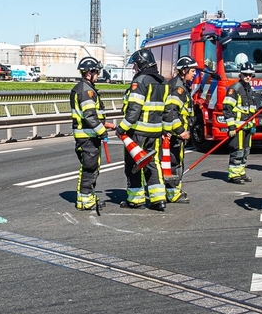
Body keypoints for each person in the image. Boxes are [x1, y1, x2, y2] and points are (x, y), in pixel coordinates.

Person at [117, 48, 168, 211]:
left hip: (138, 132)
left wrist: (121, 128)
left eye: (135, 65)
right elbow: (167, 110)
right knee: (153, 163)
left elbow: (134, 110)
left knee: (133, 164)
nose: (134, 68)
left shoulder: (140, 81)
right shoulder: (163, 82)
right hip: (155, 132)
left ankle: (136, 200)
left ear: (142, 64)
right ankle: (158, 200)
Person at [70, 56, 108, 210]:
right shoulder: (86, 91)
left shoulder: (83, 88)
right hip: (88, 137)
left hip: (86, 135)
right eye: (96, 72)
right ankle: (85, 201)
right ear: (88, 73)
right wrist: (102, 132)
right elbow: (90, 116)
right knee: (90, 168)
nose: (98, 75)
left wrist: (104, 124)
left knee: (89, 168)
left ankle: (86, 198)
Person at [162, 56, 197, 203]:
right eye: (192, 71)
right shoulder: (178, 88)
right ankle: (173, 193)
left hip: (177, 134)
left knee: (176, 162)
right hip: (175, 135)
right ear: (184, 71)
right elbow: (171, 112)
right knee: (174, 163)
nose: (194, 74)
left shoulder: (182, 85)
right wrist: (181, 130)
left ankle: (173, 191)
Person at [223, 63, 260, 184]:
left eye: (250, 75)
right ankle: (234, 175)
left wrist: (253, 125)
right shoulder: (235, 89)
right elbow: (227, 108)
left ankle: (241, 172)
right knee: (237, 151)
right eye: (245, 74)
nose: (248, 77)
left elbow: (252, 110)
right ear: (241, 74)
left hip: (248, 127)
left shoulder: (250, 90)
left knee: (245, 151)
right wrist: (231, 127)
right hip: (238, 127)